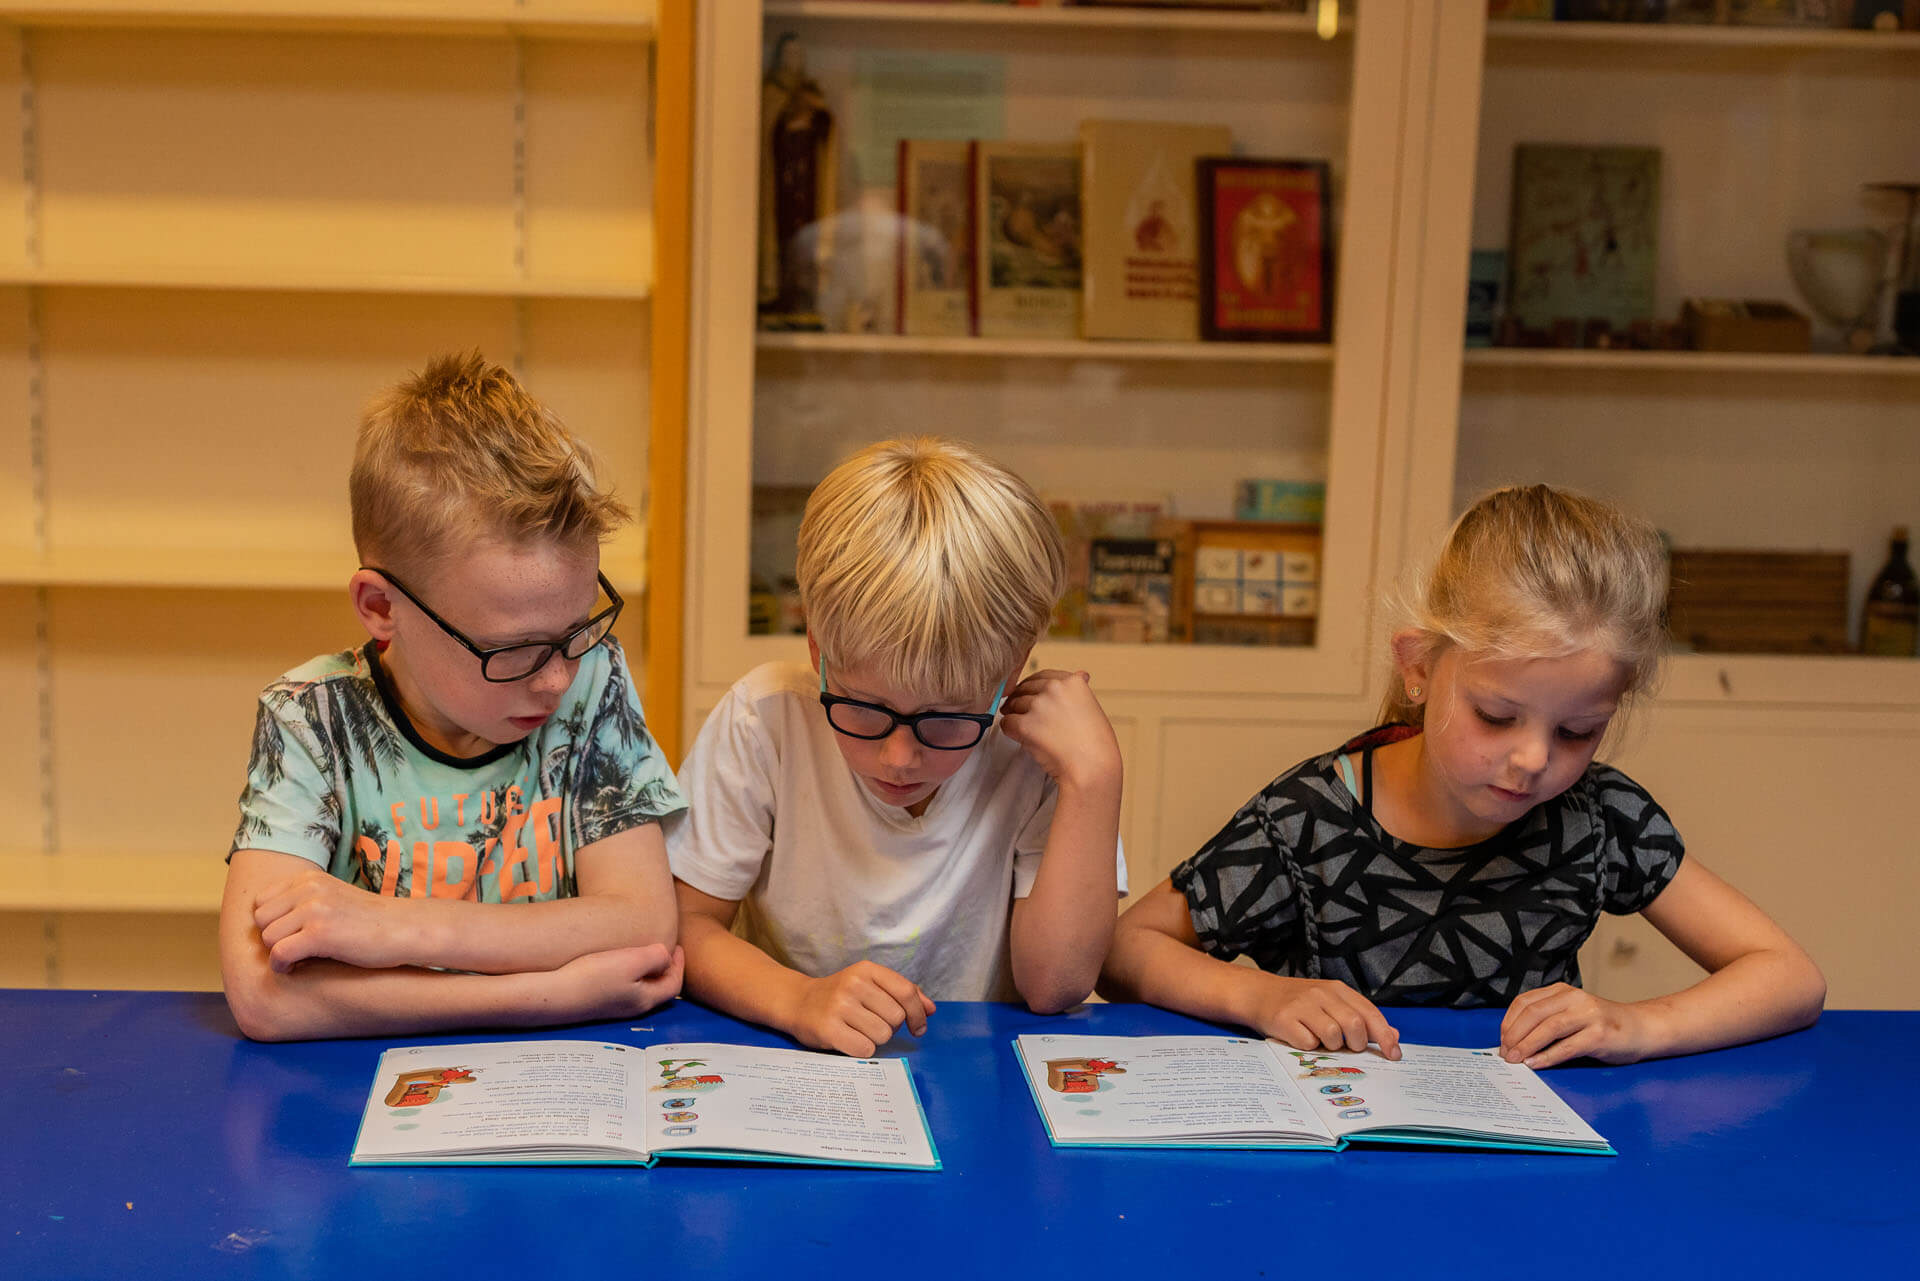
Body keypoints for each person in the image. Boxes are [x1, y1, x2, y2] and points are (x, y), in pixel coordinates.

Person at [1101, 485, 1824, 1069]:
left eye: (1577, 730)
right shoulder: (1310, 817)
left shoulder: (1598, 815)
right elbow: (1123, 950)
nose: (1535, 760)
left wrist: (1638, 1023)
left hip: (1531, 1170)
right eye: (1496, 714)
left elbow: (1789, 976)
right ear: (1418, 669)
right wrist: (1260, 996)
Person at [220, 353, 686, 1042]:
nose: (556, 677)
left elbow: (644, 921)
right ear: (381, 606)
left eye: (577, 626)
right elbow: (262, 994)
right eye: (513, 650)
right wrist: (547, 995)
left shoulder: (594, 682)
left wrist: (396, 927)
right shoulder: (311, 717)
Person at [667, 437, 1127, 1057]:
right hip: (790, 1060)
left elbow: (1057, 986)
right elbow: (683, 928)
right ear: (817, 652)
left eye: (943, 720)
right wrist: (797, 999)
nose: (900, 758)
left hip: (978, 1073)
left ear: (1010, 674)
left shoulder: (1041, 754)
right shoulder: (766, 719)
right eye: (863, 709)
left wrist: (1095, 780)